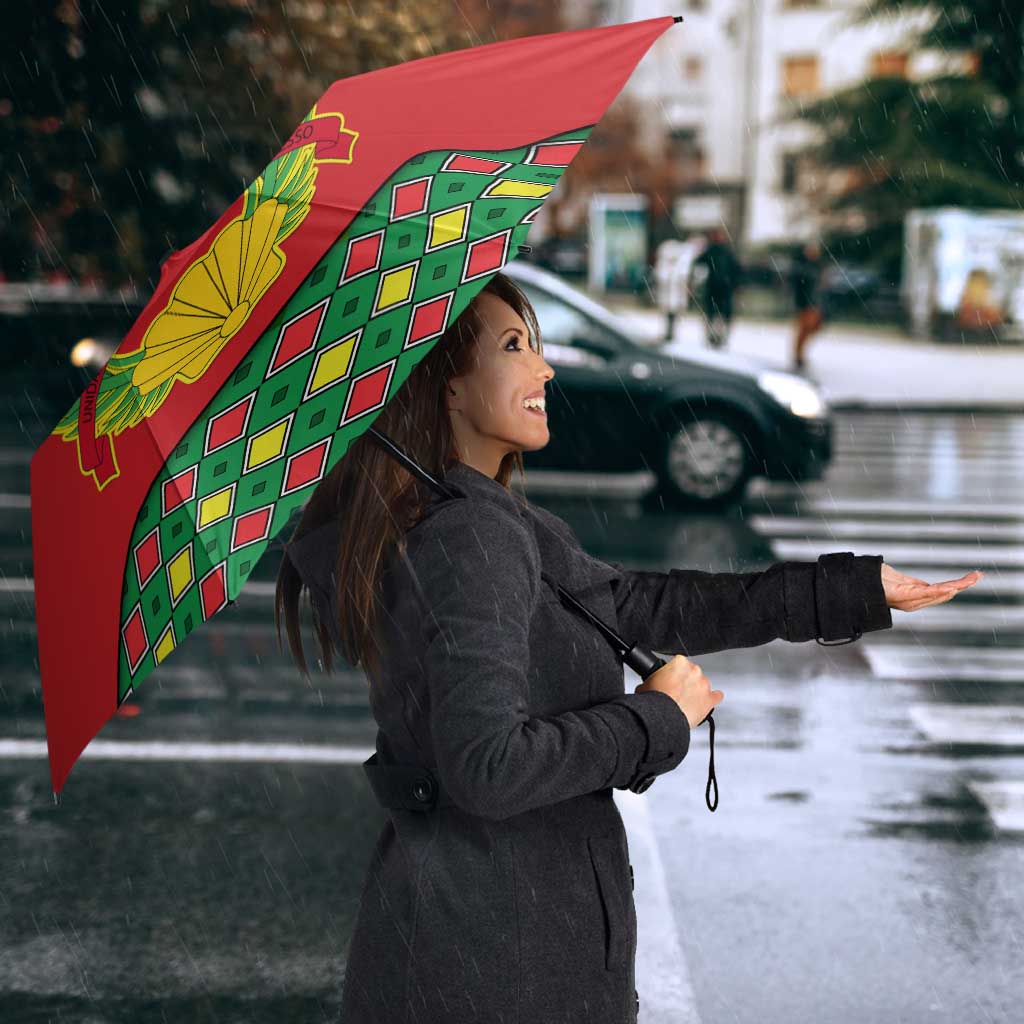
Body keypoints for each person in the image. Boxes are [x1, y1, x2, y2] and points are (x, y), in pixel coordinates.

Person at [276, 272, 982, 1024]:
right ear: (447, 387)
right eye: (515, 346)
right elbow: (487, 767)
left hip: (478, 944)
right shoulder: (470, 537)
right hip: (497, 963)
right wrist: (655, 719)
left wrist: (849, 590)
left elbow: (644, 606)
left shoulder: (479, 520)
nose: (544, 368)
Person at [692, 226, 742, 349]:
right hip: (715, 288)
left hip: (723, 288)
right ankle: (713, 337)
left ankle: (719, 337)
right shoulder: (712, 251)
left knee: (720, 315)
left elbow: (736, 270)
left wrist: (735, 284)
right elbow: (698, 264)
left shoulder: (725, 252)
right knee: (713, 314)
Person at [790, 239, 826, 370]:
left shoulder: (817, 266)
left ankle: (799, 354)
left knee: (812, 328)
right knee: (804, 329)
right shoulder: (802, 267)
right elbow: (799, 286)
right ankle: (798, 355)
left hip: (814, 303)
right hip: (805, 303)